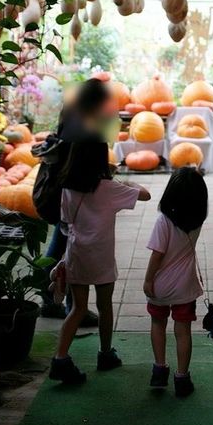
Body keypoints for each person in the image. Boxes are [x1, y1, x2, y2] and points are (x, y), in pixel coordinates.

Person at [48, 138, 151, 385]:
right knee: (105, 307)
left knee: (78, 308)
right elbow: (145, 195)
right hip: (102, 257)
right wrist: (125, 181)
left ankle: (60, 358)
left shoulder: (67, 188)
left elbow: (64, 222)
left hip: (77, 254)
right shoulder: (109, 188)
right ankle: (105, 354)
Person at [38, 78, 119, 322]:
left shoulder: (71, 113)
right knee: (69, 248)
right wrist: (105, 176)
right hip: (74, 194)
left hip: (60, 191)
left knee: (61, 244)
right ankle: (73, 307)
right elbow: (86, 163)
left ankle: (53, 298)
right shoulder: (86, 126)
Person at [143, 167, 208, 397]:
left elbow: (157, 254)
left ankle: (159, 369)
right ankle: (182, 377)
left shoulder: (163, 222)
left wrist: (148, 279)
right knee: (183, 332)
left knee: (158, 324)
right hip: (185, 286)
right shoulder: (197, 221)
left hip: (161, 285)